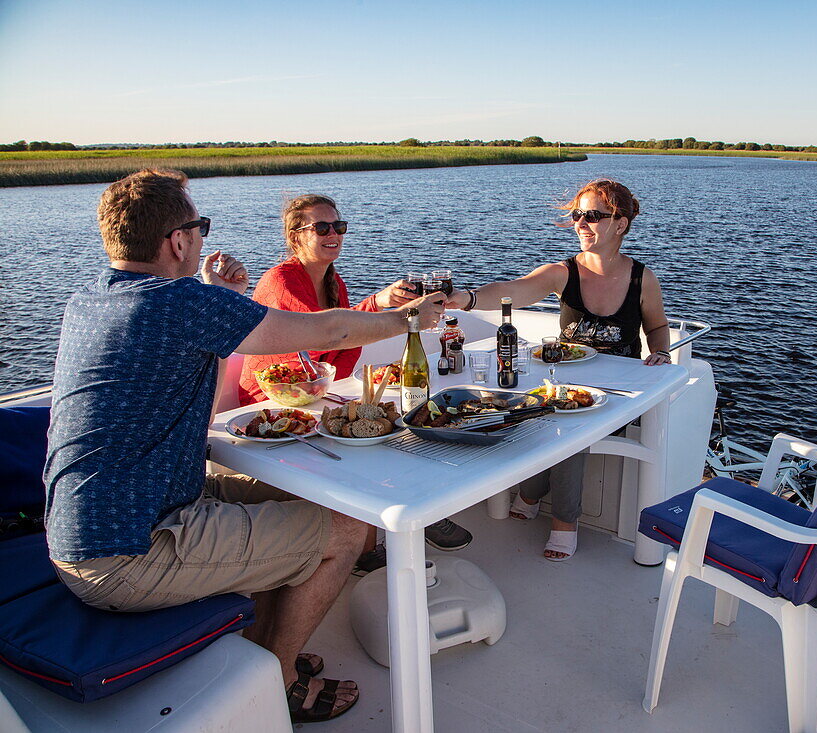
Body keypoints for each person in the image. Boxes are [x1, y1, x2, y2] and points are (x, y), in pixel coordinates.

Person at [44, 168, 445, 724]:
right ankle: (278, 683)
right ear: (179, 240)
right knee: (349, 531)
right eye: (199, 226)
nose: (203, 238)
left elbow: (184, 370)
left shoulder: (88, 300)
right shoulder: (180, 303)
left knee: (295, 494)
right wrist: (406, 319)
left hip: (95, 524)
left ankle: (259, 654)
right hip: (126, 553)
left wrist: (217, 296)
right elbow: (328, 333)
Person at [237, 194, 473, 563]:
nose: (334, 234)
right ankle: (367, 550)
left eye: (339, 226)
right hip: (276, 400)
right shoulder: (283, 280)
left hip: (318, 390)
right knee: (368, 434)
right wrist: (406, 316)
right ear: (296, 235)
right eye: (322, 227)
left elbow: (341, 320)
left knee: (395, 420)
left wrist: (381, 300)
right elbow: (327, 332)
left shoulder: (333, 279)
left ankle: (415, 515)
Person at [446, 179, 672, 560]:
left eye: (593, 216)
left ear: (620, 224)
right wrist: (467, 298)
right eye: (577, 215)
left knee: (569, 430)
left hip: (621, 395)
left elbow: (656, 327)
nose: (581, 224)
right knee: (530, 411)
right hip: (567, 383)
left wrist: (662, 352)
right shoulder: (563, 272)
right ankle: (532, 493)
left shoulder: (641, 278)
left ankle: (563, 522)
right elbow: (515, 290)